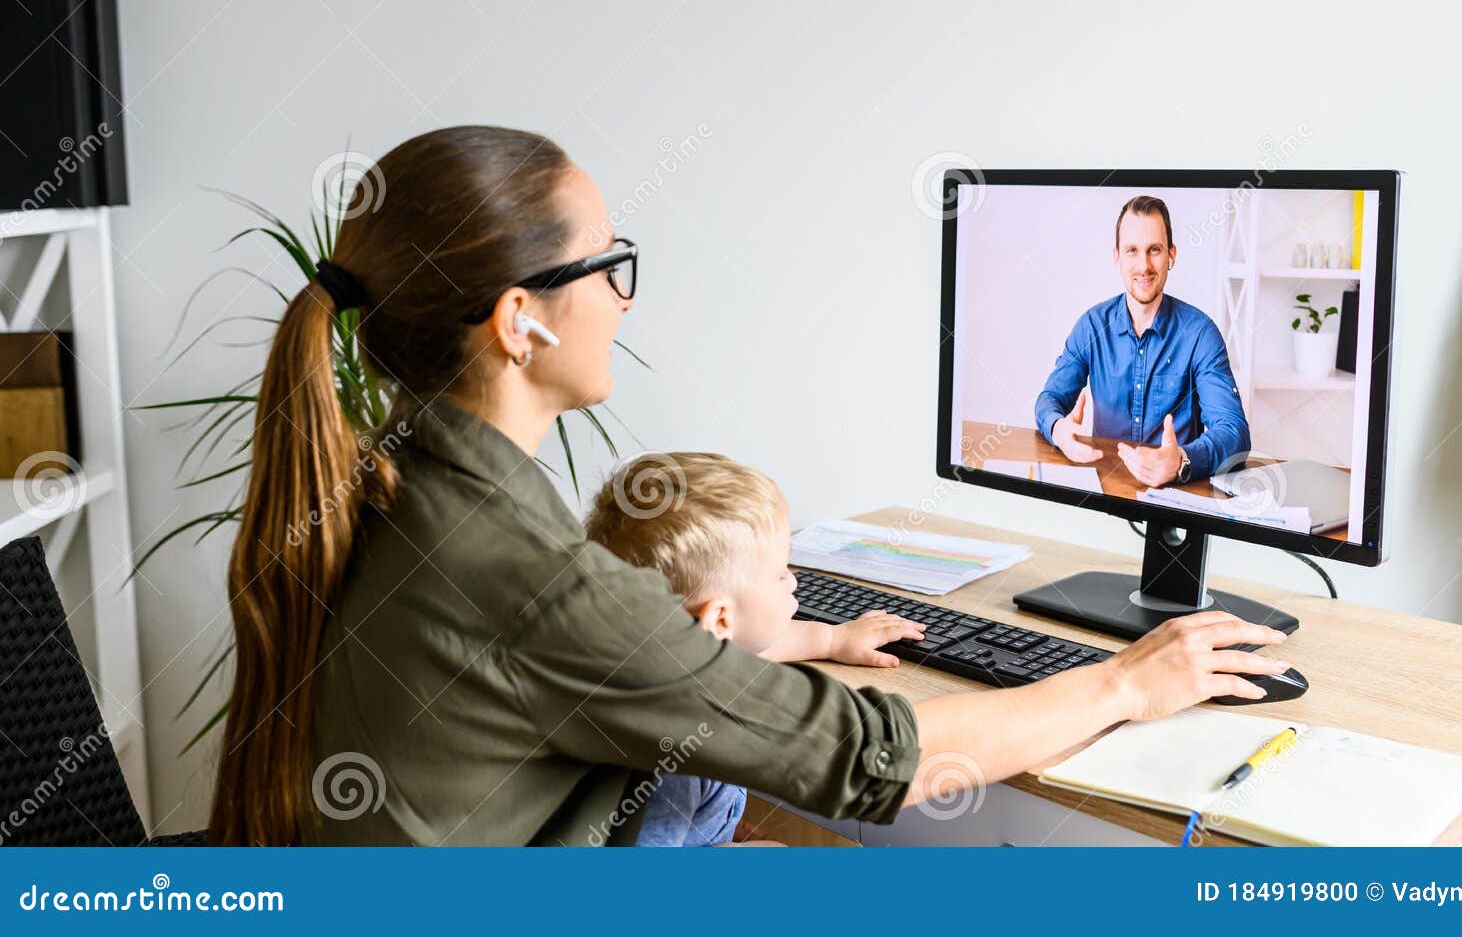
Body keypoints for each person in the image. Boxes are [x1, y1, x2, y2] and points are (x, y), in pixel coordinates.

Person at [208, 126, 1292, 846]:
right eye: (606, 265)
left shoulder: (401, 484)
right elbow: (873, 760)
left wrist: (809, 640)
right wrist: (1126, 686)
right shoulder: (525, 571)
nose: (624, 298)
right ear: (519, 320)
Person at [585, 451, 924, 845]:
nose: (793, 582)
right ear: (721, 621)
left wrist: (834, 638)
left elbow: (756, 649)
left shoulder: (650, 659)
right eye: (781, 572)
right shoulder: (676, 757)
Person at [1035, 195, 1250, 489]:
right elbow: (1049, 399)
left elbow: (1234, 432)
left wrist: (1182, 460)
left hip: (1177, 498)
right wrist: (1058, 428)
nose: (1144, 265)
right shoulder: (1091, 326)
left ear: (1171, 255)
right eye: (1132, 250)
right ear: (1117, 257)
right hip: (1107, 493)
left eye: (1155, 250)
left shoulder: (1200, 334)